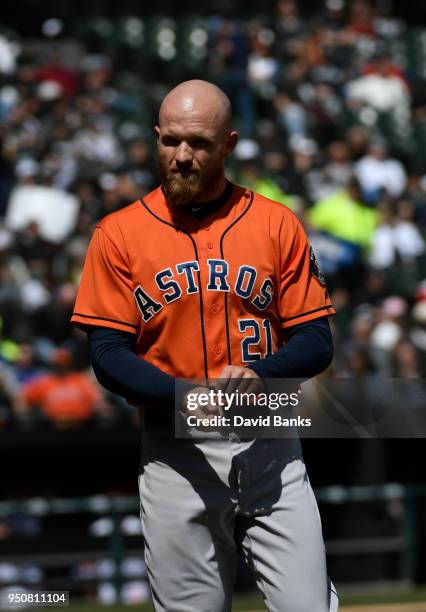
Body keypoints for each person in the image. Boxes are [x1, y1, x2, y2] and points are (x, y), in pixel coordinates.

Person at [71, 80, 338, 612]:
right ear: (156, 138)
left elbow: (315, 339)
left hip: (270, 440)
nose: (183, 156)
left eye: (199, 143)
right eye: (170, 141)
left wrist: (264, 372)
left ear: (229, 144)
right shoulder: (118, 234)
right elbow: (107, 355)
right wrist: (185, 395)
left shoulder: (275, 222)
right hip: (176, 449)